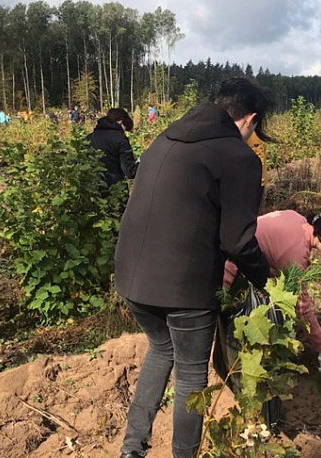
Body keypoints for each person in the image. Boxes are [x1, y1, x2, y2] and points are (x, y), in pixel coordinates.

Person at [114, 76, 274, 458]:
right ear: (250, 118)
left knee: (160, 350)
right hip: (183, 286)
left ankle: (131, 449)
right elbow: (237, 240)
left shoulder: (165, 139)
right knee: (190, 375)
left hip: (131, 278)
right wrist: (264, 278)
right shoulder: (238, 158)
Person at [223, 210, 321, 376]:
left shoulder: (297, 219)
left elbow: (271, 256)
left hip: (228, 257)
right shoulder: (297, 252)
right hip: (229, 277)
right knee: (236, 342)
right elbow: (302, 308)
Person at [87, 108, 138, 187]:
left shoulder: (89, 138)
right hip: (115, 190)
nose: (124, 132)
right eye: (125, 127)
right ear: (120, 121)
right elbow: (130, 171)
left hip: (92, 189)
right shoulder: (120, 139)